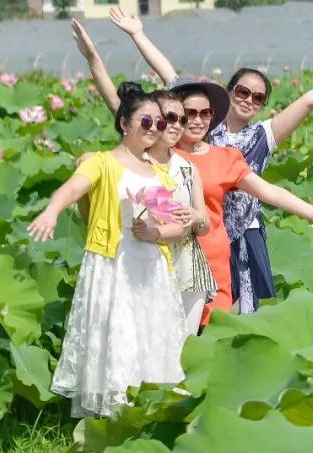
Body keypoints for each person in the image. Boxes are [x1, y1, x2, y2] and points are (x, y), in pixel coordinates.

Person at [109, 7, 313, 313]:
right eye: (242, 91)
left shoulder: (262, 136)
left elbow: (307, 102)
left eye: (258, 97)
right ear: (228, 92)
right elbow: (170, 76)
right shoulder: (201, 125)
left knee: (238, 307)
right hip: (196, 224)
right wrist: (138, 34)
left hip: (242, 230)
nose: (248, 100)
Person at [27, 83, 191, 417]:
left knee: (152, 334)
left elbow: (178, 227)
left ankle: (149, 413)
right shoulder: (101, 163)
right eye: (147, 122)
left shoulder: (161, 173)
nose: (155, 129)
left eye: (159, 124)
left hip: (152, 267)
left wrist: (155, 232)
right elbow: (73, 188)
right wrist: (51, 211)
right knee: (118, 334)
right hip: (113, 263)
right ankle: (115, 415)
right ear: (124, 124)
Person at [71, 20, 214, 335]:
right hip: (141, 264)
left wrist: (195, 218)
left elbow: (204, 225)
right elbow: (113, 98)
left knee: (180, 353)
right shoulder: (133, 161)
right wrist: (92, 57)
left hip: (186, 268)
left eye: (182, 118)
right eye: (169, 119)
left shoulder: (188, 170)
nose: (177, 124)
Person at [167, 78, 313, 324]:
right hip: (170, 257)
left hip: (213, 260)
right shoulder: (161, 154)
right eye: (190, 113)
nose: (198, 120)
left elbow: (269, 192)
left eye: (205, 113)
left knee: (210, 337)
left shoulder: (226, 157)